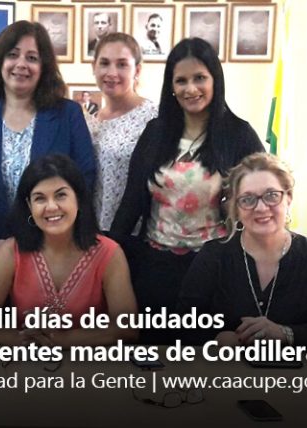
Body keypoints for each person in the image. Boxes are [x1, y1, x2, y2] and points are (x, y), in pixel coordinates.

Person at [109, 38, 264, 344]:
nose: (190, 89)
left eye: (199, 78)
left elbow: (260, 199)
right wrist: (107, 255)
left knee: (205, 356)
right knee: (154, 355)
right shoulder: (155, 133)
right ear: (171, 86)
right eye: (181, 80)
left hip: (213, 269)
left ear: (215, 80)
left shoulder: (239, 135)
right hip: (155, 268)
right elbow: (131, 202)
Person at [0, 21, 96, 294]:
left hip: (56, 257)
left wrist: (52, 239)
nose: (21, 64)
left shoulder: (68, 114)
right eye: (13, 54)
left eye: (32, 58)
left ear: (44, 67)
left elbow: (85, 179)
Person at [177, 153, 307, 349]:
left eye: (272, 195)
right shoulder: (214, 255)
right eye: (247, 199)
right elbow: (182, 325)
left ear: (288, 198)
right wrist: (216, 339)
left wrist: (287, 334)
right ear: (236, 208)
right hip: (226, 366)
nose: (261, 208)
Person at [0, 155, 137, 346]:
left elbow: (127, 328)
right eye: (40, 198)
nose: (51, 207)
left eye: (60, 195)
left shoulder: (109, 252)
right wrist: (21, 340)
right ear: (29, 206)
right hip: (28, 358)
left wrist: (60, 340)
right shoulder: (11, 251)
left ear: (79, 199)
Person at [87, 33, 158, 234]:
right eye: (104, 63)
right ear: (94, 67)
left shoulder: (154, 117)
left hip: (137, 234)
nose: (112, 72)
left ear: (137, 70)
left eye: (122, 64)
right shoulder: (91, 122)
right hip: (96, 233)